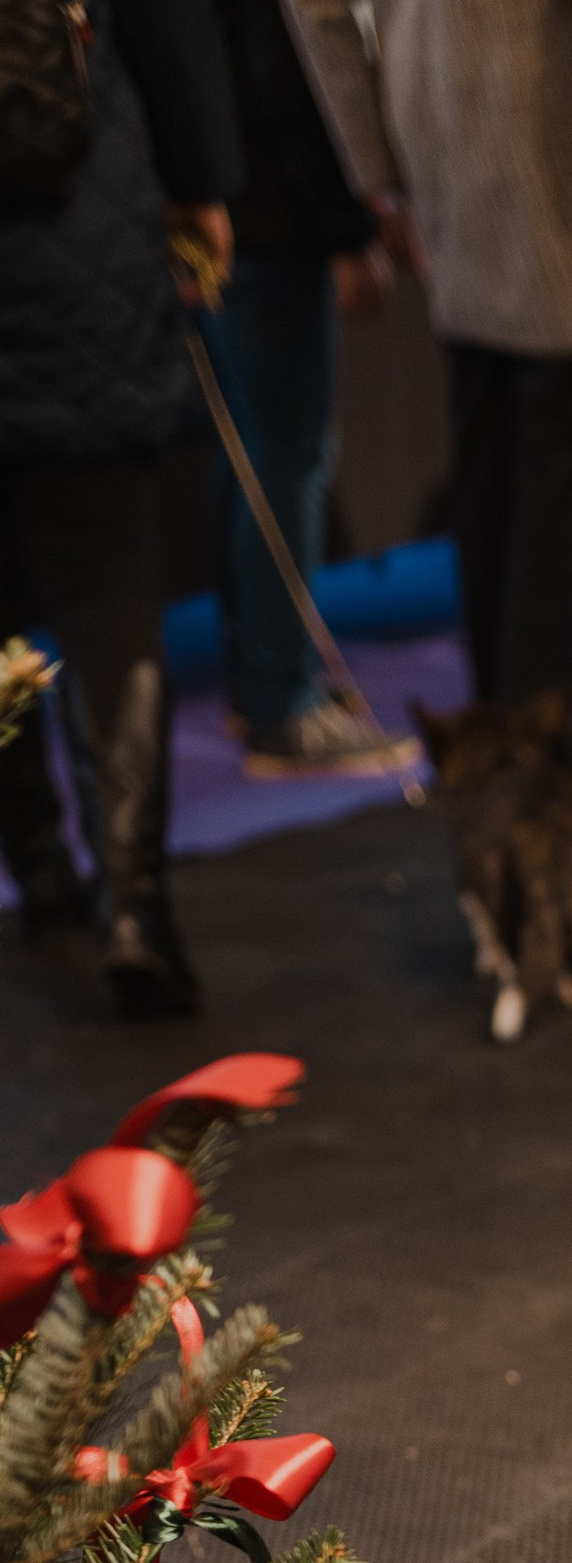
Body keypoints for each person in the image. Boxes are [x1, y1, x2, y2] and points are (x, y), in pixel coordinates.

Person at [288, 0, 572, 792]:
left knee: (497, 460)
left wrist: (379, 167)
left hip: (450, 142)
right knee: (549, 479)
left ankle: (508, 734)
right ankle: (528, 747)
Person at [0, 0, 242, 1015]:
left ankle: (42, 866)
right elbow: (179, 51)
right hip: (76, 256)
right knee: (110, 599)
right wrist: (202, 190)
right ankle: (136, 904)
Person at [204, 0, 399, 777]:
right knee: (286, 460)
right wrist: (348, 229)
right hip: (271, 225)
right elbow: (290, 83)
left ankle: (262, 687)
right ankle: (283, 705)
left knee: (250, 461)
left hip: (223, 213)